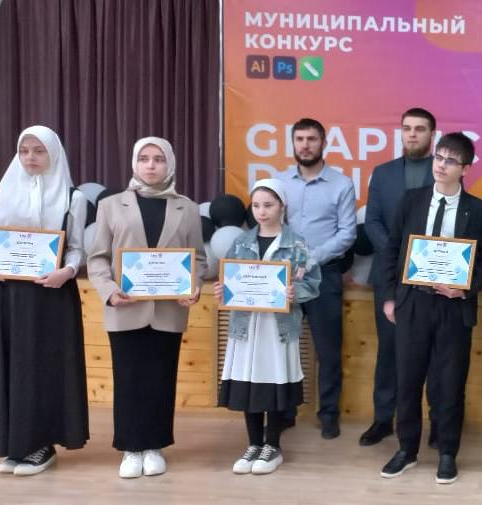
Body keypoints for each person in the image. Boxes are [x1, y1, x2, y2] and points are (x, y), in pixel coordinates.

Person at [0, 126, 89, 476]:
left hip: (52, 293)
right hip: (10, 294)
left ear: (54, 153)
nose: (31, 157)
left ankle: (42, 444)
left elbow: (77, 248)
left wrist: (67, 271)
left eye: (39, 150)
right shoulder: (6, 189)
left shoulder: (73, 197)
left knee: (45, 366)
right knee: (13, 365)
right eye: (24, 150)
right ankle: (16, 444)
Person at [378, 132, 482, 484]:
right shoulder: (411, 200)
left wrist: (465, 288)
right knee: (408, 380)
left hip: (453, 307)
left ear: (466, 169)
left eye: (450, 161)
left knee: (449, 384)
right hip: (413, 303)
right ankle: (406, 450)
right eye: (439, 157)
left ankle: (447, 452)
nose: (441, 165)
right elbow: (392, 249)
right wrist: (390, 297)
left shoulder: (478, 210)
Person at [87, 137, 205, 478]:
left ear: (170, 164)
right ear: (134, 164)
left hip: (169, 311)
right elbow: (97, 258)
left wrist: (193, 286)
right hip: (124, 308)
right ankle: (130, 448)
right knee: (128, 380)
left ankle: (154, 446)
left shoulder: (187, 208)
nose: (151, 165)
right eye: (144, 158)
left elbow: (198, 258)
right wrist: (109, 291)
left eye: (158, 159)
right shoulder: (110, 205)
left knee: (161, 380)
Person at [215, 178, 321, 475]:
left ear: (282, 206)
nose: (262, 212)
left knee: (274, 382)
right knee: (249, 382)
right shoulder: (241, 243)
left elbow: (314, 283)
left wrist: (295, 293)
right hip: (246, 326)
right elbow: (230, 278)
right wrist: (224, 290)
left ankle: (272, 445)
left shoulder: (296, 244)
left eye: (269, 205)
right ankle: (253, 444)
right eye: (257, 206)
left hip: (278, 328)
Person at [360, 107, 439, 447]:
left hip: (433, 275)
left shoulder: (444, 172)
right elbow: (373, 221)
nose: (412, 134)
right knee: (389, 349)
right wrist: (399, 254)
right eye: (407, 128)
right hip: (390, 276)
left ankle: (437, 423)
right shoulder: (383, 173)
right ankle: (383, 419)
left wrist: (419, 258)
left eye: (420, 129)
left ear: (432, 135)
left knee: (434, 353)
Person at [278, 118, 357, 439]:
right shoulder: (280, 182)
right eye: (299, 139)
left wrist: (311, 258)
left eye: (311, 139)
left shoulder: (341, 184)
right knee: (284, 347)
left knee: (328, 351)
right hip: (284, 277)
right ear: (293, 143)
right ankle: (284, 412)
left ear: (323, 143)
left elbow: (347, 233)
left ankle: (328, 415)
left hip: (324, 275)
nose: (305, 145)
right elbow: (271, 225)